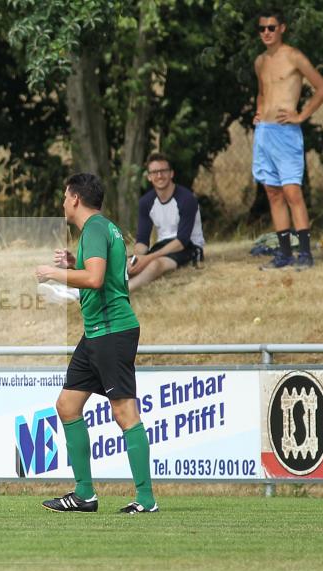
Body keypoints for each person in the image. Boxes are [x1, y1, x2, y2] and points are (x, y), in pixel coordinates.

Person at [35, 173, 157, 514]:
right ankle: (84, 495)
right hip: (96, 333)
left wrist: (54, 273)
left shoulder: (95, 229)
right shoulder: (101, 229)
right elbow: (102, 273)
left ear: (75, 199)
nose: (62, 203)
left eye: (64, 196)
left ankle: (146, 500)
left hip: (112, 331)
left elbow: (95, 279)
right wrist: (73, 264)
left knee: (124, 412)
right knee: (67, 406)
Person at [253, 8, 323, 270]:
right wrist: (258, 112)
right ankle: (284, 254)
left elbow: (322, 88)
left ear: (282, 28)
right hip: (265, 132)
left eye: (271, 28)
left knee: (292, 191)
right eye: (262, 28)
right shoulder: (260, 61)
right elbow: (262, 92)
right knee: (273, 193)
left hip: (286, 133)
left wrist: (301, 115)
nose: (266, 32)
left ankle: (305, 254)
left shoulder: (294, 56)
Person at [128, 152, 205, 291]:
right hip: (162, 246)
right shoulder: (145, 202)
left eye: (163, 171)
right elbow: (142, 241)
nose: (159, 176)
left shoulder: (187, 199)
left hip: (189, 246)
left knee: (155, 264)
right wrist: (137, 257)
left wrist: (148, 258)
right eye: (155, 172)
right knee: (124, 264)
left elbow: (182, 241)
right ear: (149, 177)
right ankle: (86, 291)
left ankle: (124, 291)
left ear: (171, 174)